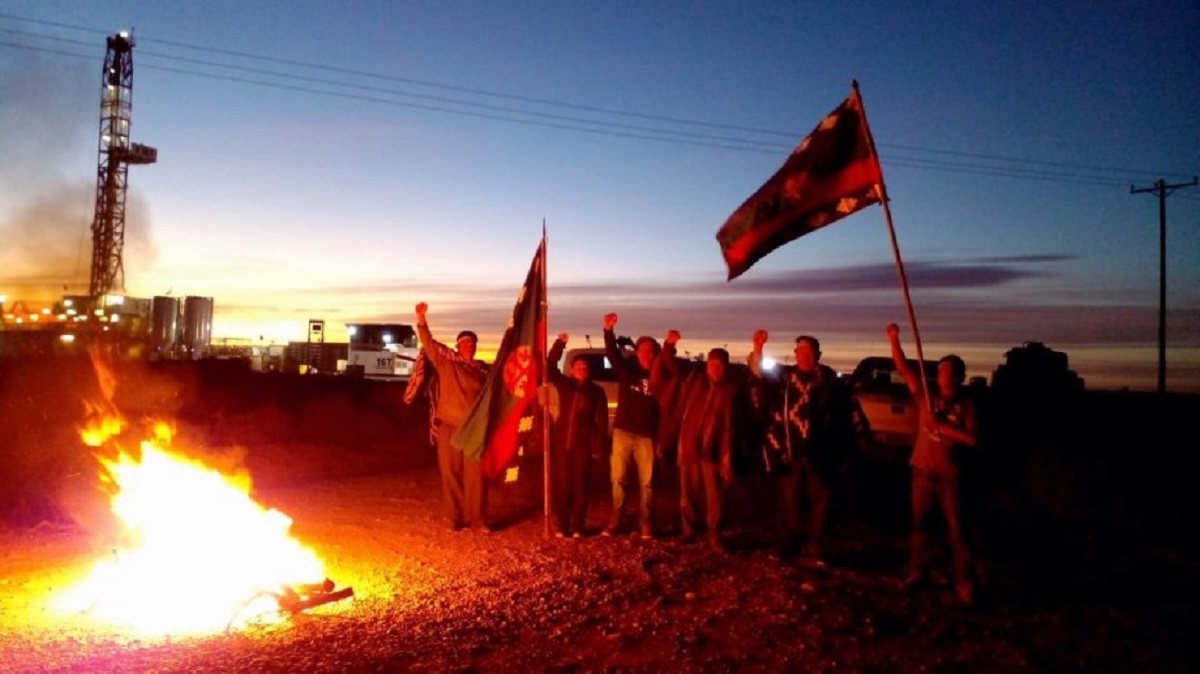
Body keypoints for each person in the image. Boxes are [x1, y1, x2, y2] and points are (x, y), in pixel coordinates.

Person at [749, 329, 868, 565]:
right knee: (788, 503)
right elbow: (757, 376)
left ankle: (820, 546)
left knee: (822, 503)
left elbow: (849, 413)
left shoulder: (831, 383)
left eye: (809, 353)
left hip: (822, 455)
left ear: (818, 354)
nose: (805, 356)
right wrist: (758, 347)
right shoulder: (783, 379)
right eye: (801, 352)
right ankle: (787, 545)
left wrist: (854, 441)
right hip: (789, 452)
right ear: (795, 354)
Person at [886, 322, 979, 605]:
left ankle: (963, 581)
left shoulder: (967, 404)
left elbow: (973, 439)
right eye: (942, 371)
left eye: (951, 372)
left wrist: (943, 427)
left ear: (960, 377)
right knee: (919, 526)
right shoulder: (927, 395)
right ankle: (916, 571)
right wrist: (893, 339)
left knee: (958, 531)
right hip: (922, 470)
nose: (945, 376)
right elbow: (903, 368)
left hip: (950, 475)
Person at [654, 331, 742, 551]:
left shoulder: (730, 392)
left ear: (726, 367)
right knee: (687, 495)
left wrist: (726, 456)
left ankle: (715, 535)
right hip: (689, 448)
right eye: (712, 363)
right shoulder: (694, 383)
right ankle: (688, 530)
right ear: (707, 366)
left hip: (712, 452)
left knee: (715, 498)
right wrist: (669, 345)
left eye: (719, 364)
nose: (715, 368)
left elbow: (730, 428)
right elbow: (668, 364)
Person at [414, 302, 490, 532]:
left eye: (472, 343)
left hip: (474, 431)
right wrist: (421, 319)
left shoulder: (484, 371)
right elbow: (429, 344)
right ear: (458, 346)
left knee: (476, 477)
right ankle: (454, 518)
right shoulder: (447, 364)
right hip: (449, 426)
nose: (469, 346)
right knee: (450, 474)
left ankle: (477, 518)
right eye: (464, 343)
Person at [601, 312, 661, 539]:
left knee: (648, 483)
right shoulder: (628, 370)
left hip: (647, 435)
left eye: (650, 351)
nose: (646, 354)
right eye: (643, 350)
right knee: (618, 479)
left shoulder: (660, 377)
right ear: (637, 353)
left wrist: (661, 438)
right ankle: (617, 519)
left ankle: (647, 522)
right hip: (623, 431)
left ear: (655, 355)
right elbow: (613, 354)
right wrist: (608, 331)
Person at [546, 333, 610, 538]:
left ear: (588, 371)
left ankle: (578, 526)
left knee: (581, 486)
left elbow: (602, 422)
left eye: (585, 367)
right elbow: (549, 365)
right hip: (562, 445)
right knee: (563, 487)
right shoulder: (565, 385)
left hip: (583, 447)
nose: (582, 370)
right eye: (578, 367)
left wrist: (599, 448)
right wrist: (559, 344)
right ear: (572, 370)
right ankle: (562, 524)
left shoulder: (597, 392)